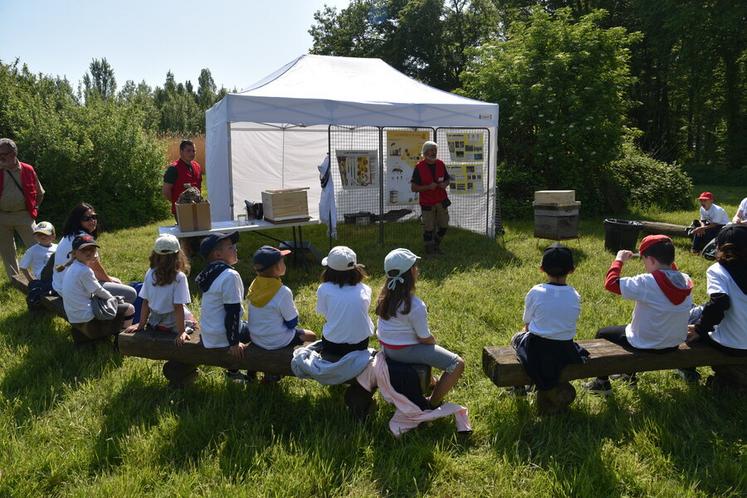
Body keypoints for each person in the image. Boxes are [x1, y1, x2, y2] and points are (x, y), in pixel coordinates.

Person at [585, 235, 694, 394]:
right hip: (673, 342)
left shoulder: (647, 282)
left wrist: (618, 260)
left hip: (647, 344)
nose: (644, 265)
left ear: (651, 260)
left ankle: (601, 383)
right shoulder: (685, 280)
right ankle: (628, 375)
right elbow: (670, 270)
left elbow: (611, 283)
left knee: (603, 333)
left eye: (644, 260)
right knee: (636, 328)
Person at [375, 248, 465, 407]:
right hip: (404, 351)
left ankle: (430, 382)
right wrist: (433, 341)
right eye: (415, 266)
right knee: (457, 364)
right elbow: (424, 337)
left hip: (387, 349)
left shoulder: (384, 297)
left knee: (427, 350)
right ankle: (432, 403)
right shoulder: (415, 305)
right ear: (411, 271)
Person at [511, 243, 588, 393]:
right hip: (565, 349)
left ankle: (518, 387)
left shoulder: (535, 291)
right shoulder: (574, 294)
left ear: (542, 268)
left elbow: (527, 322)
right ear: (572, 270)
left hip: (537, 349)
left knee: (516, 338)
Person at [51, 203, 136, 304]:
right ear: (77, 220)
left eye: (94, 217)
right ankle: (121, 319)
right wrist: (110, 280)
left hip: (60, 286)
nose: (92, 221)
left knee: (117, 284)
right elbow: (95, 268)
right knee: (130, 293)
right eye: (86, 218)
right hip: (75, 292)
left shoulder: (69, 235)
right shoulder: (83, 239)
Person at [195, 232, 251, 383]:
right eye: (231, 247)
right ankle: (258, 373)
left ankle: (234, 372)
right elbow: (232, 312)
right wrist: (233, 342)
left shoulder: (209, 273)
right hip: (223, 335)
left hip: (209, 332)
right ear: (218, 254)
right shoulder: (230, 275)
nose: (236, 249)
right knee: (261, 332)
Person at [687, 225, 747, 356]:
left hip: (732, 344)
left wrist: (700, 329)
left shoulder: (717, 270)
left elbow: (720, 303)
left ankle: (687, 368)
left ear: (719, 247)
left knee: (690, 318)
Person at [58, 233, 135, 335]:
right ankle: (122, 340)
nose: (89, 252)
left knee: (110, 301)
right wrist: (114, 299)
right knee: (129, 309)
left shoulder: (73, 267)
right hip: (86, 319)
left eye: (92, 249)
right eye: (84, 249)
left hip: (74, 317)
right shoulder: (84, 270)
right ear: (75, 253)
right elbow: (98, 290)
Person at [125, 234, 195, 344]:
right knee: (191, 321)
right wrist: (181, 331)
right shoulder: (179, 277)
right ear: (178, 255)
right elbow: (178, 307)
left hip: (154, 320)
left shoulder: (150, 272)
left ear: (155, 255)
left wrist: (141, 323)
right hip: (171, 322)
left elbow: (145, 301)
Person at [247, 245, 317, 351]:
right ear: (277, 267)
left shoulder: (254, 286)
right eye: (283, 262)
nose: (284, 264)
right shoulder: (283, 291)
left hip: (256, 338)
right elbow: (292, 323)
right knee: (311, 335)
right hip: (277, 341)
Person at [316, 246, 374, 356]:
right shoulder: (366, 289)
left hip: (333, 344)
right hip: (361, 344)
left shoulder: (323, 289)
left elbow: (323, 312)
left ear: (329, 271)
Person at [0, 138, 45, 279]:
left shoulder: (27, 169)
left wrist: (34, 209)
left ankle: (43, 275)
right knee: (7, 250)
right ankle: (14, 279)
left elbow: (40, 193)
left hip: (24, 216)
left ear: (13, 153)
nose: (1, 157)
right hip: (2, 216)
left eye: (3, 154)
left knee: (38, 246)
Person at [411, 141, 450, 255]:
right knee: (429, 228)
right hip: (427, 202)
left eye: (435, 150)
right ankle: (430, 251)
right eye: (431, 150)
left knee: (444, 226)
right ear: (425, 152)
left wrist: (445, 184)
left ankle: (436, 244)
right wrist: (428, 187)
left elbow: (447, 179)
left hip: (441, 200)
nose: (434, 153)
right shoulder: (419, 167)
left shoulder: (441, 164)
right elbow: (414, 188)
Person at [162, 139, 202, 218]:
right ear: (181, 151)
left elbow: (199, 187)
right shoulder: (173, 169)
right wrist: (178, 202)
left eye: (194, 151)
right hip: (181, 210)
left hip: (197, 208)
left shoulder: (197, 166)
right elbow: (166, 191)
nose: (192, 153)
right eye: (188, 151)